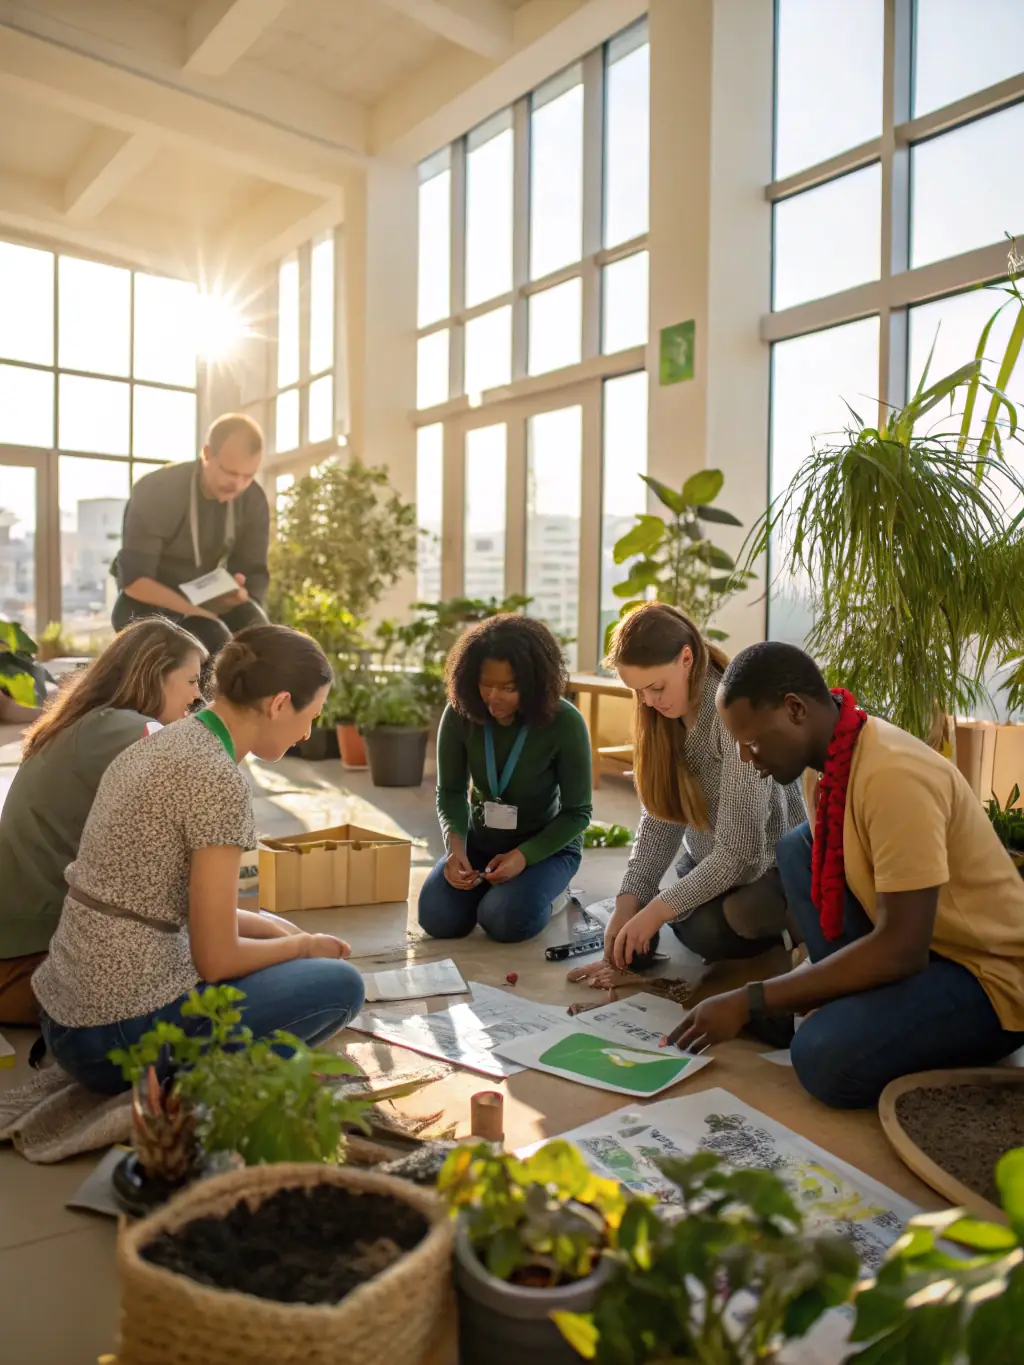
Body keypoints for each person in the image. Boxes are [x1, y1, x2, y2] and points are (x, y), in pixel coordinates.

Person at [665, 641, 1024, 1108]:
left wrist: (753, 999)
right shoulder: (827, 763)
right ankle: (853, 1007)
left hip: (987, 977)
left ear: (795, 710)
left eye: (752, 743)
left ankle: (885, 1025)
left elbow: (902, 948)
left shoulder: (894, 776)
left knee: (821, 1057)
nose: (748, 759)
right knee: (799, 847)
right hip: (925, 951)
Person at [32, 624, 365, 1095]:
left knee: (274, 936)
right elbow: (216, 959)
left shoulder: (165, 742)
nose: (308, 732)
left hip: (63, 1014)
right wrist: (301, 948)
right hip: (114, 1038)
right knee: (340, 985)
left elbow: (162, 900)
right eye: (311, 715)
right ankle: (207, 1083)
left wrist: (274, 929)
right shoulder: (216, 779)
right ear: (278, 703)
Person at [571, 604, 805, 989]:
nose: (648, 702)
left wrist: (656, 911)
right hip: (707, 861)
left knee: (704, 927)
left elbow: (742, 851)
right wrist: (630, 899)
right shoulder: (662, 714)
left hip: (768, 870)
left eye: (656, 688)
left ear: (686, 658)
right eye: (639, 692)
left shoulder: (734, 712)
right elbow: (661, 813)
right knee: (659, 916)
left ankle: (776, 953)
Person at [0, 620, 206, 1027]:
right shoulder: (131, 729)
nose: (197, 695)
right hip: (37, 968)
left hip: (20, 952)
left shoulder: (86, 723)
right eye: (191, 680)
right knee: (261, 968)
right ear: (154, 674)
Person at [419, 615, 592, 944]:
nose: (493, 697)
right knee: (437, 918)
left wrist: (524, 856)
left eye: (509, 688)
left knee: (504, 920)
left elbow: (577, 813)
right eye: (486, 684)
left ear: (533, 683)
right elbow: (452, 791)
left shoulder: (565, 722)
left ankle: (553, 893)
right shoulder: (460, 713)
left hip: (547, 849)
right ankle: (500, 895)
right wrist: (456, 849)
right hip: (481, 842)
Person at [111, 413, 270, 656]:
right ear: (206, 453)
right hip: (145, 599)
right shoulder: (157, 489)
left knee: (259, 635)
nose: (238, 485)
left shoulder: (253, 499)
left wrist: (237, 595)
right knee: (211, 636)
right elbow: (135, 581)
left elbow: (253, 572)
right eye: (229, 472)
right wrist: (196, 612)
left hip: (203, 594)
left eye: (247, 476)